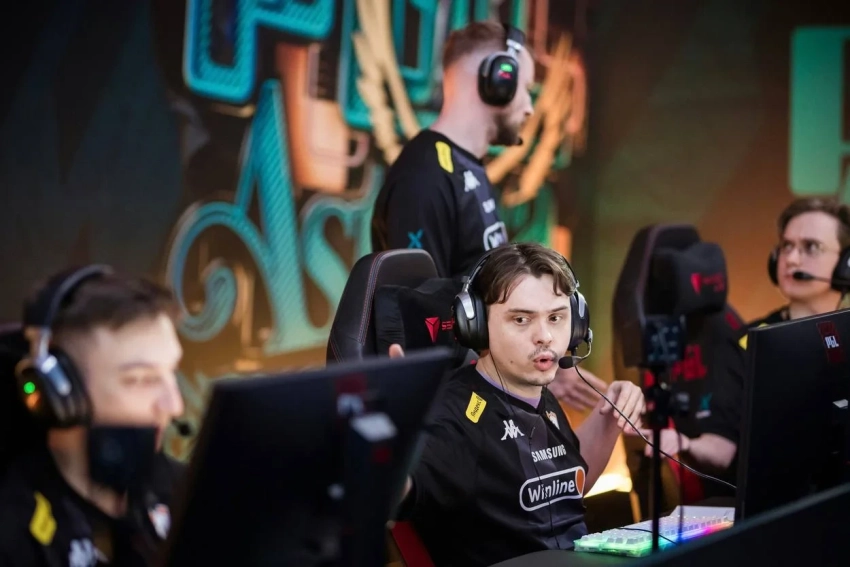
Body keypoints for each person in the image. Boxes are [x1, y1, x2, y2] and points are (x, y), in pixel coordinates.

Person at [391, 243, 645, 567]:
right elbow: (398, 490)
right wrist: (388, 452)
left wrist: (611, 414)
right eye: (522, 319)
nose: (545, 336)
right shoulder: (455, 418)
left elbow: (568, 488)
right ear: (477, 326)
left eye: (556, 317)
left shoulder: (538, 394)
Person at [637, 197, 850, 474]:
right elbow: (722, 448)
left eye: (811, 247)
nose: (791, 259)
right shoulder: (746, 344)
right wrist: (683, 443)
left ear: (846, 264)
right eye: (786, 246)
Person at [0, 266, 187, 567]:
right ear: (60, 395)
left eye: (172, 372)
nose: (174, 405)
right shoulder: (14, 534)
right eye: (141, 379)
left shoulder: (188, 489)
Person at [371, 21, 534, 280]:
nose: (530, 108)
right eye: (525, 89)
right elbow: (418, 301)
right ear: (498, 82)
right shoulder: (425, 178)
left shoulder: (466, 166)